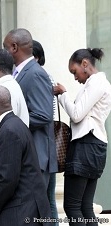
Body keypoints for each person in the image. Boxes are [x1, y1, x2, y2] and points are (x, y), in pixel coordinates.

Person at [54, 48, 111, 225]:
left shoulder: (97, 83)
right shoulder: (100, 83)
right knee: (85, 207)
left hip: (85, 145)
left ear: (85, 64)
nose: (75, 77)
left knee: (72, 207)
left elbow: (77, 114)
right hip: (95, 146)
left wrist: (63, 94)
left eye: (75, 71)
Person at [0, 85, 52, 226]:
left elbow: (8, 179)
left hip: (22, 211)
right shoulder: (15, 124)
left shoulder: (9, 131)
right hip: (22, 207)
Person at [3, 28, 57, 188]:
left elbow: (43, 115)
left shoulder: (35, 73)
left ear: (14, 47)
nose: (3, 52)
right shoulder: (19, 73)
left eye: (5, 47)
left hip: (36, 158)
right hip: (27, 157)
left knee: (33, 211)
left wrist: (11, 123)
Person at [32, 40, 59, 226]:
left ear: (37, 57)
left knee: (46, 199)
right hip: (49, 147)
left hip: (43, 147)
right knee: (49, 198)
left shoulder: (39, 76)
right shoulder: (47, 77)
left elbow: (45, 115)